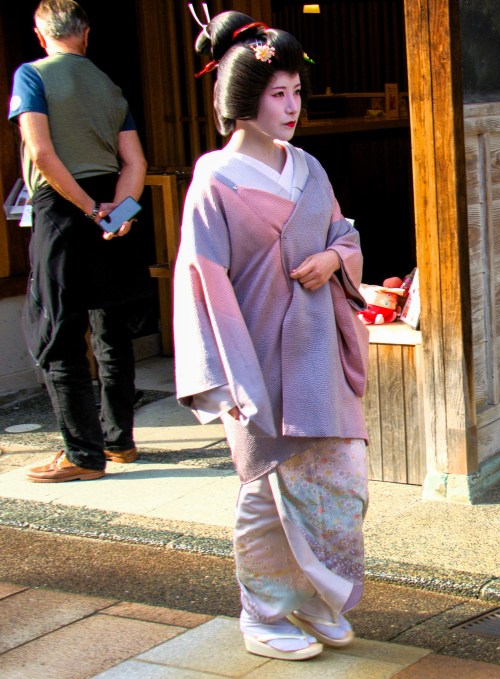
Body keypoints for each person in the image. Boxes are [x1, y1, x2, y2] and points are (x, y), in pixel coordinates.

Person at [173, 9, 370, 662]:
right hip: (255, 357)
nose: (291, 107)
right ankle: (262, 610)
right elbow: (200, 281)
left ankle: (316, 594)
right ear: (243, 100)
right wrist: (225, 380)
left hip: (318, 351)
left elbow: (345, 232)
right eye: (277, 94)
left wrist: (335, 260)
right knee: (267, 492)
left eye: (296, 93)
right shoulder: (214, 182)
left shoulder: (308, 167)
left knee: (341, 479)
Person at [8, 0, 149, 483]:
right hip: (113, 204)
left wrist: (87, 210)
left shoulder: (32, 75)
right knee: (111, 329)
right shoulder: (109, 85)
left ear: (39, 32)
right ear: (85, 33)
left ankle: (82, 455)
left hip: (65, 208)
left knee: (59, 331)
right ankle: (120, 442)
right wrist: (119, 214)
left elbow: (41, 152)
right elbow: (136, 162)